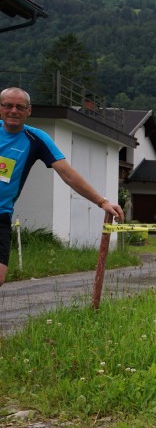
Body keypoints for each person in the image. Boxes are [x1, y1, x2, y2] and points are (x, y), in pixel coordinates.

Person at [0, 87, 124, 290]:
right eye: (8, 105)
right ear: (0, 108)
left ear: (28, 110)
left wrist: (102, 202)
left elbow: (68, 175)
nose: (13, 111)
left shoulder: (36, 139)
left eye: (19, 107)